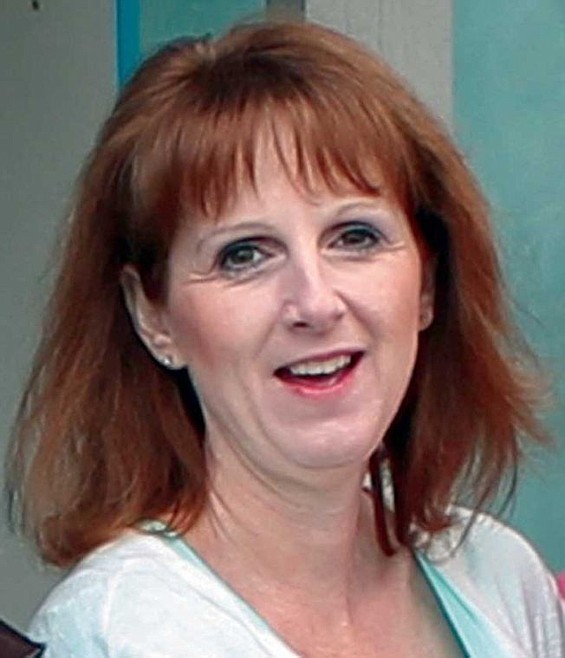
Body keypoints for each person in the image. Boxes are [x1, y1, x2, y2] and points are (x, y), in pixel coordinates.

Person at [6, 20, 564, 657]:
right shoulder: (116, 633)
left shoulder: (500, 577)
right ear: (153, 315)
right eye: (244, 254)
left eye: (355, 237)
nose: (316, 303)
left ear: (427, 285)